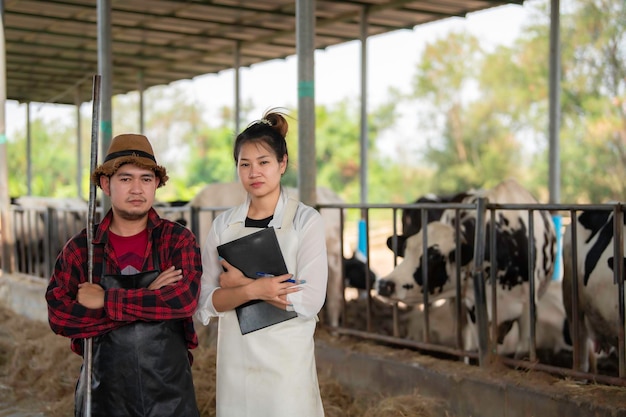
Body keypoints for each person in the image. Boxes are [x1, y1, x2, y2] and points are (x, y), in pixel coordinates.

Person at [45, 133, 202, 417]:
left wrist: (105, 300)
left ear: (156, 184)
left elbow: (183, 301)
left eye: (146, 179)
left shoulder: (177, 240)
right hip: (103, 398)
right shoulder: (82, 249)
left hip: (170, 399)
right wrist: (152, 297)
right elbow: (60, 317)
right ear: (106, 184)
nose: (137, 189)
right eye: (125, 179)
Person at [195, 110, 328, 417]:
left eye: (264, 162)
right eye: (245, 164)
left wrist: (241, 285)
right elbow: (206, 301)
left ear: (282, 164)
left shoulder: (305, 221)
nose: (254, 172)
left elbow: (309, 300)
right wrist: (260, 288)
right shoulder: (223, 225)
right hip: (237, 362)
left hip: (286, 361)